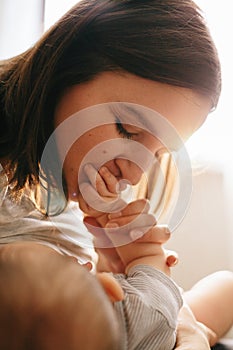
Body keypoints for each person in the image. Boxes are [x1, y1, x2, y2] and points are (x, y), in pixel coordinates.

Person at [0, 0, 229, 348]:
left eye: (157, 153)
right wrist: (144, 261)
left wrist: (111, 261)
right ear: (68, 65)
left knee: (227, 287)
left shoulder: (52, 179)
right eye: (127, 129)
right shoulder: (20, 242)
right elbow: (127, 331)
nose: (135, 176)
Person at [0, 238, 232, 350]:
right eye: (63, 262)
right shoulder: (136, 316)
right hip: (166, 327)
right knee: (226, 286)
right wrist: (135, 244)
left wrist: (106, 263)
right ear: (109, 288)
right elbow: (152, 263)